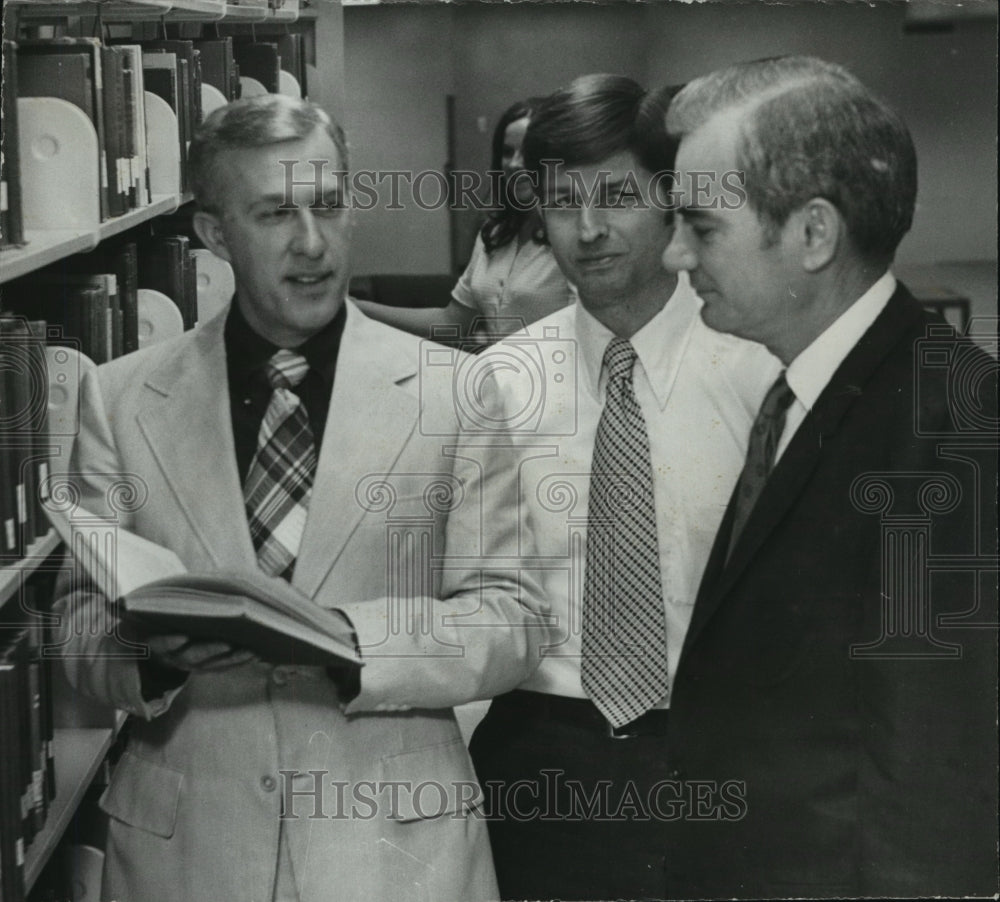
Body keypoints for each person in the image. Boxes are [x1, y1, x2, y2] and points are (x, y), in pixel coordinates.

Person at [50, 94, 549, 902]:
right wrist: (147, 657)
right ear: (215, 234)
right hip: (189, 855)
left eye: (328, 205)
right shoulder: (120, 399)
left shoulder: (455, 392)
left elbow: (513, 617)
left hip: (394, 849)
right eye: (277, 213)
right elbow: (74, 623)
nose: (313, 243)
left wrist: (351, 640)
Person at [660, 56, 998, 897]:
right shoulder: (801, 390)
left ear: (813, 235)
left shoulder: (953, 423)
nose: (672, 254)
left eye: (701, 229)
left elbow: (935, 767)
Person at [466, 74, 781, 901]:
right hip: (538, 758)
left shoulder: (762, 376)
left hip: (722, 753)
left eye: (616, 196)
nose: (589, 228)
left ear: (672, 202)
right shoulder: (498, 384)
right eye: (563, 200)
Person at [356, 98, 575, 342]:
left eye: (528, 152)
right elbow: (452, 322)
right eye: (507, 152)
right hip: (497, 376)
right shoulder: (495, 233)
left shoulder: (572, 233)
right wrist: (358, 309)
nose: (514, 164)